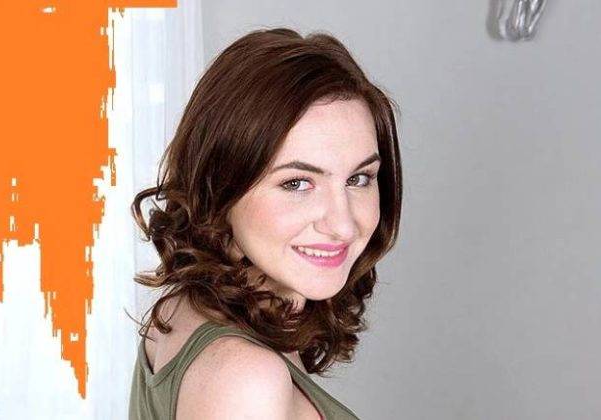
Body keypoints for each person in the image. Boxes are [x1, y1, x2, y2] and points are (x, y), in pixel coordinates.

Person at [128, 26, 402, 420]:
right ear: (221, 187)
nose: (343, 225)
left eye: (359, 179)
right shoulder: (246, 380)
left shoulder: (189, 308)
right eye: (296, 183)